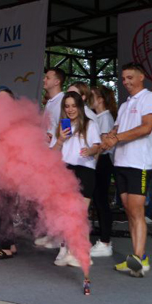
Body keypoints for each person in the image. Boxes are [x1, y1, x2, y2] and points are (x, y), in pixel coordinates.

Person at [100, 63, 152, 277]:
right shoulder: (126, 104)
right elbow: (117, 128)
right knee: (128, 210)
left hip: (139, 163)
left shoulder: (149, 98)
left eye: (129, 77)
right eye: (123, 78)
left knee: (136, 211)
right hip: (121, 162)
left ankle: (139, 258)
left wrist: (116, 137)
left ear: (141, 77)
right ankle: (138, 258)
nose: (125, 82)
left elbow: (146, 128)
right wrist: (108, 137)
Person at [51, 91, 101, 268]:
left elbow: (97, 146)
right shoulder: (62, 126)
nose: (70, 109)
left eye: (73, 105)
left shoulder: (90, 125)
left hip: (85, 171)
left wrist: (90, 151)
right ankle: (68, 251)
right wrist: (60, 140)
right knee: (67, 214)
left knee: (79, 214)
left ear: (80, 106)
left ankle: (80, 254)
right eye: (67, 106)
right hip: (65, 171)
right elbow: (52, 154)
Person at [34, 67, 65, 249]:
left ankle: (60, 237)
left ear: (57, 81)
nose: (44, 80)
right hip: (47, 155)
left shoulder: (63, 101)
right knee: (47, 199)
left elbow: (67, 125)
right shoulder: (50, 103)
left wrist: (57, 139)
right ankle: (52, 233)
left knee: (57, 198)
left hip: (58, 156)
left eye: (48, 77)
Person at [89, 85, 118, 257]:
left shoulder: (105, 118)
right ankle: (102, 240)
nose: (89, 98)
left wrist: (93, 163)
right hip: (96, 162)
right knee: (98, 201)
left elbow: (102, 145)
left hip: (102, 162)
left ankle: (105, 241)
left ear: (100, 100)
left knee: (101, 201)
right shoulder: (97, 117)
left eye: (92, 96)